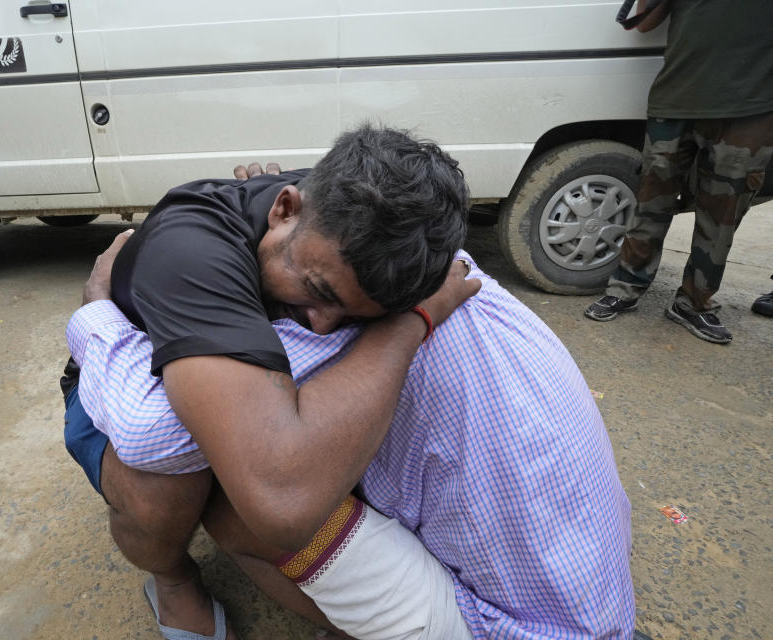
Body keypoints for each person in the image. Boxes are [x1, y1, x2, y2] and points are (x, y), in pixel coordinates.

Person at [69, 245, 636, 638]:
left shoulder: (324, 322)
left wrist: (99, 306)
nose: (316, 315)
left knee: (233, 487)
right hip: (587, 598)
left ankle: (179, 579)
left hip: (501, 628)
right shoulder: (447, 266)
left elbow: (150, 433)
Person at [62, 125, 477, 639]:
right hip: (122, 388)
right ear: (283, 209)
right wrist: (97, 314)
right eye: (318, 290)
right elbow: (157, 438)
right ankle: (171, 579)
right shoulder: (191, 254)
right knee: (163, 490)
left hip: (232, 377)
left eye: (354, 314)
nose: (323, 324)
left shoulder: (341, 220)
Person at [584, 0, 773, 343]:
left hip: (750, 109)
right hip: (675, 100)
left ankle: (693, 303)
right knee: (651, 201)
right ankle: (626, 287)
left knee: (721, 215)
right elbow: (643, 23)